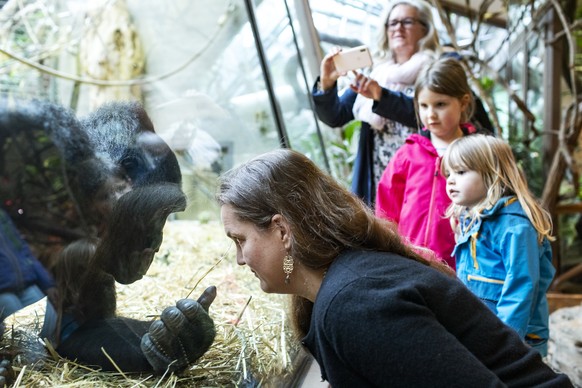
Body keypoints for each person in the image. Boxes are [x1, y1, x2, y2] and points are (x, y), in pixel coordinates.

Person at [216, 148, 572, 387]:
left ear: (281, 231)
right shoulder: (345, 286)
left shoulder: (357, 304)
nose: (240, 259)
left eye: (240, 240)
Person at [312, 0, 440, 206]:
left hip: (425, 179)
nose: (398, 28)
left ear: (424, 29)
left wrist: (381, 95)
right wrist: (327, 82)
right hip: (383, 183)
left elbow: (429, 115)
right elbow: (335, 115)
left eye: (407, 22)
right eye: (393, 23)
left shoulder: (435, 70)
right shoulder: (377, 73)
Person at [442, 134, 556, 357]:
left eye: (461, 172)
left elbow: (522, 286)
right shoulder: (473, 217)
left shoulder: (515, 226)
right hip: (484, 329)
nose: (451, 180)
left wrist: (506, 342)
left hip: (515, 338)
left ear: (493, 174)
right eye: (449, 173)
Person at [374, 57, 478, 268]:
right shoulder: (408, 154)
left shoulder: (478, 153)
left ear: (464, 102)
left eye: (440, 104)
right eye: (423, 105)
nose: (430, 114)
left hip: (463, 264)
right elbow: (386, 211)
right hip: (412, 263)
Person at [0, 209, 57, 338]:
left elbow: (22, 248)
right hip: (3, 292)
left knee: (50, 322)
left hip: (26, 282)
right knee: (23, 337)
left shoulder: (1, 214)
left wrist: (47, 282)